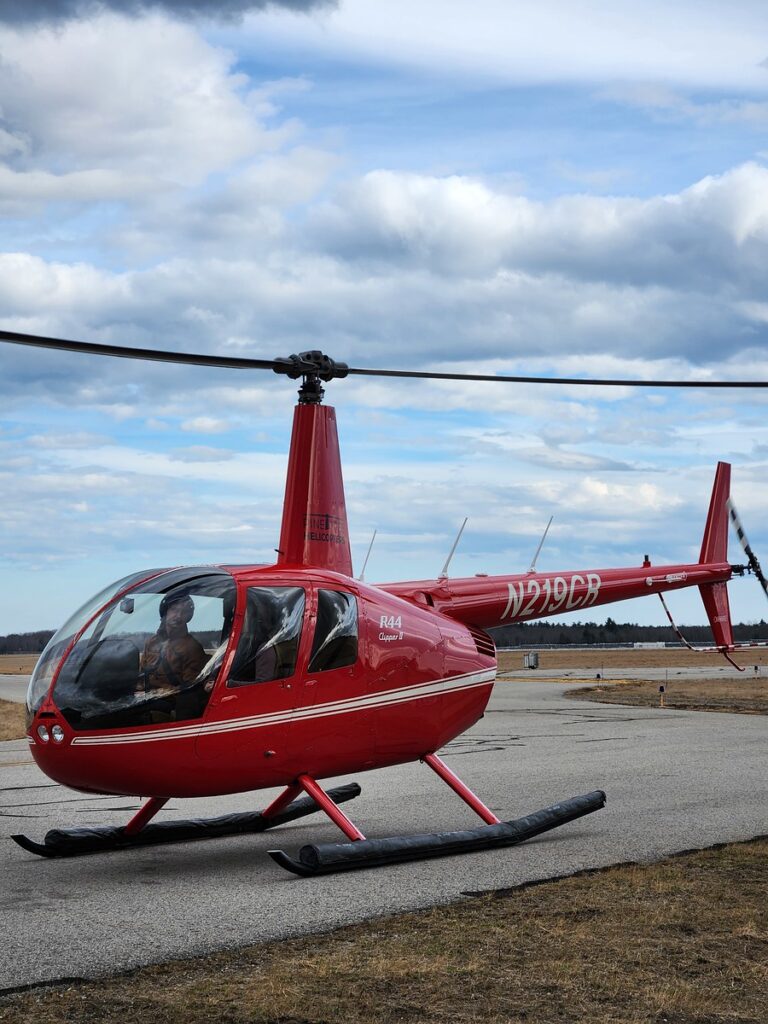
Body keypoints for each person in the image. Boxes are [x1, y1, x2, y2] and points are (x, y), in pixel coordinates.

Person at [140, 592, 209, 718]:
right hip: (144, 698)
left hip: (170, 704)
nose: (178, 616)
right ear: (165, 612)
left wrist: (161, 691)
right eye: (174, 610)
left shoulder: (192, 647)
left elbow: (190, 690)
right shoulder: (151, 642)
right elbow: (142, 675)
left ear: (188, 617)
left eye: (184, 612)